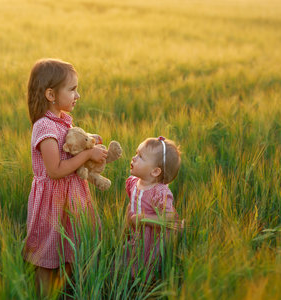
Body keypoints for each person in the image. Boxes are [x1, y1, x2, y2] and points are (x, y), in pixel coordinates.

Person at [23, 58, 107, 297]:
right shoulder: (44, 128)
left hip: (72, 197)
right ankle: (45, 294)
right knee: (47, 253)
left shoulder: (61, 120)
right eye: (72, 89)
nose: (77, 95)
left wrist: (90, 140)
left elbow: (69, 142)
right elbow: (56, 170)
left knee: (71, 248)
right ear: (50, 94)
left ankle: (66, 291)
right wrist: (88, 154)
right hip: (53, 201)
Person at [125, 136, 182, 279]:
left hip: (151, 236)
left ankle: (144, 284)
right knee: (131, 257)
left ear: (155, 172)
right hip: (136, 232)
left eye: (140, 157)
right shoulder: (133, 182)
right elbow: (133, 202)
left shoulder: (160, 192)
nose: (134, 158)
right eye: (136, 153)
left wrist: (143, 219)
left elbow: (169, 217)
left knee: (146, 264)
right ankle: (132, 279)